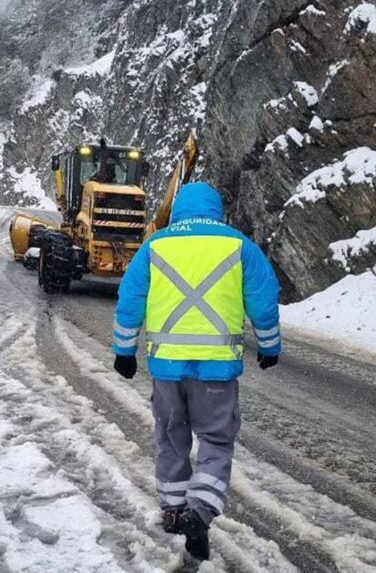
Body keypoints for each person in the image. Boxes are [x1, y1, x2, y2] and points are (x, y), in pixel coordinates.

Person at [111, 182, 281, 560]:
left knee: (171, 438)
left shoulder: (155, 246)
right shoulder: (239, 246)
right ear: (216, 210)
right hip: (217, 373)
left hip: (167, 370)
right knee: (215, 443)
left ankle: (173, 511)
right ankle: (199, 513)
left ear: (178, 211)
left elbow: (130, 300)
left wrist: (124, 350)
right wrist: (269, 345)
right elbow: (264, 302)